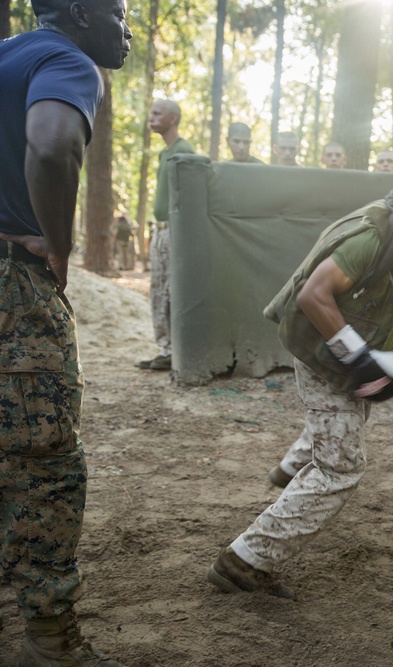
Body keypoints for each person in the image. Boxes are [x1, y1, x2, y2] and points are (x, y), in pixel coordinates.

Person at [208, 151, 393, 594]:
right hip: (324, 355)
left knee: (334, 452)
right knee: (341, 468)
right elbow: (314, 296)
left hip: (349, 356)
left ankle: (292, 466)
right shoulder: (374, 233)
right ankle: (244, 561)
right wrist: (359, 360)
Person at [0, 0, 132, 663]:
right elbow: (52, 142)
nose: (128, 28)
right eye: (120, 11)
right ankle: (50, 645)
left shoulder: (6, 59)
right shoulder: (68, 60)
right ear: (79, 12)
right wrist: (58, 244)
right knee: (45, 466)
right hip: (13, 289)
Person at [136, 99, 194, 371]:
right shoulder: (164, 153)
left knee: (173, 290)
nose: (151, 117)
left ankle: (178, 350)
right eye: (151, 113)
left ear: (173, 119)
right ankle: (166, 349)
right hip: (159, 232)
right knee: (158, 289)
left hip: (176, 232)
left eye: (157, 114)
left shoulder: (184, 151)